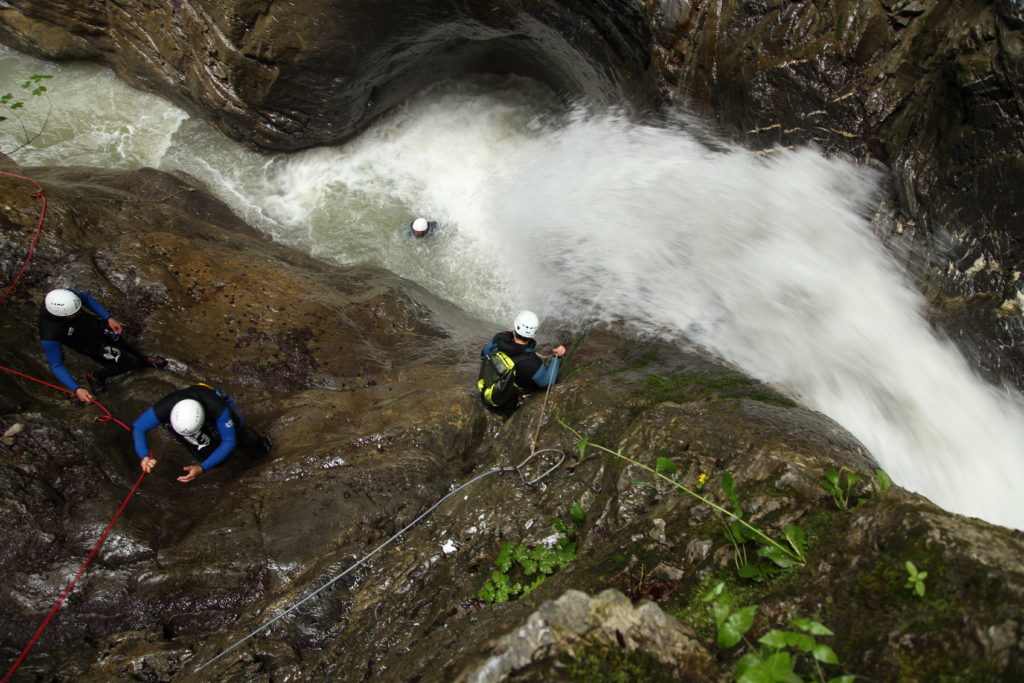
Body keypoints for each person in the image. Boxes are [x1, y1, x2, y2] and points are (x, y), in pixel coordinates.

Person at [38, 287, 166, 403]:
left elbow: (86, 298)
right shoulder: (50, 333)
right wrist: (76, 388)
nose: (78, 312)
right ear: (62, 315)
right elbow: (56, 365)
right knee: (131, 363)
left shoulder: (65, 296)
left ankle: (142, 359)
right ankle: (94, 376)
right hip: (92, 346)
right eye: (74, 313)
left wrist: (108, 318)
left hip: (97, 327)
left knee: (122, 343)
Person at [132, 383, 272, 483]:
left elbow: (229, 441)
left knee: (242, 432)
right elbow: (139, 427)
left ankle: (259, 441)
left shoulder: (219, 409)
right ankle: (212, 454)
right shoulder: (167, 407)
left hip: (210, 402)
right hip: (186, 418)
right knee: (210, 455)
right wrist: (144, 456)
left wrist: (201, 469)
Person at [478, 310, 566, 415]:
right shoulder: (532, 363)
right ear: (533, 334)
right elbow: (548, 383)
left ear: (516, 326)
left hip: (486, 384)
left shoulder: (499, 338)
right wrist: (556, 358)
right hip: (505, 401)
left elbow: (483, 354)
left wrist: (507, 334)